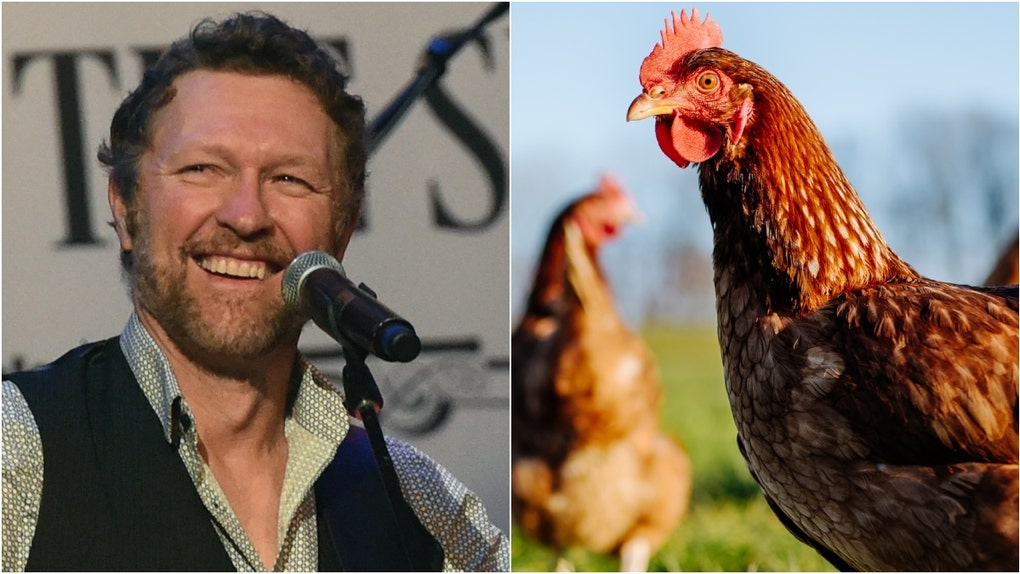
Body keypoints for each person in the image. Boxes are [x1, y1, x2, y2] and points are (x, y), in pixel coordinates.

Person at [1, 12, 508, 572]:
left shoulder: (420, 504)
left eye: (289, 178)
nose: (246, 216)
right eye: (202, 168)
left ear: (341, 228)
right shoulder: (18, 453)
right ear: (124, 206)